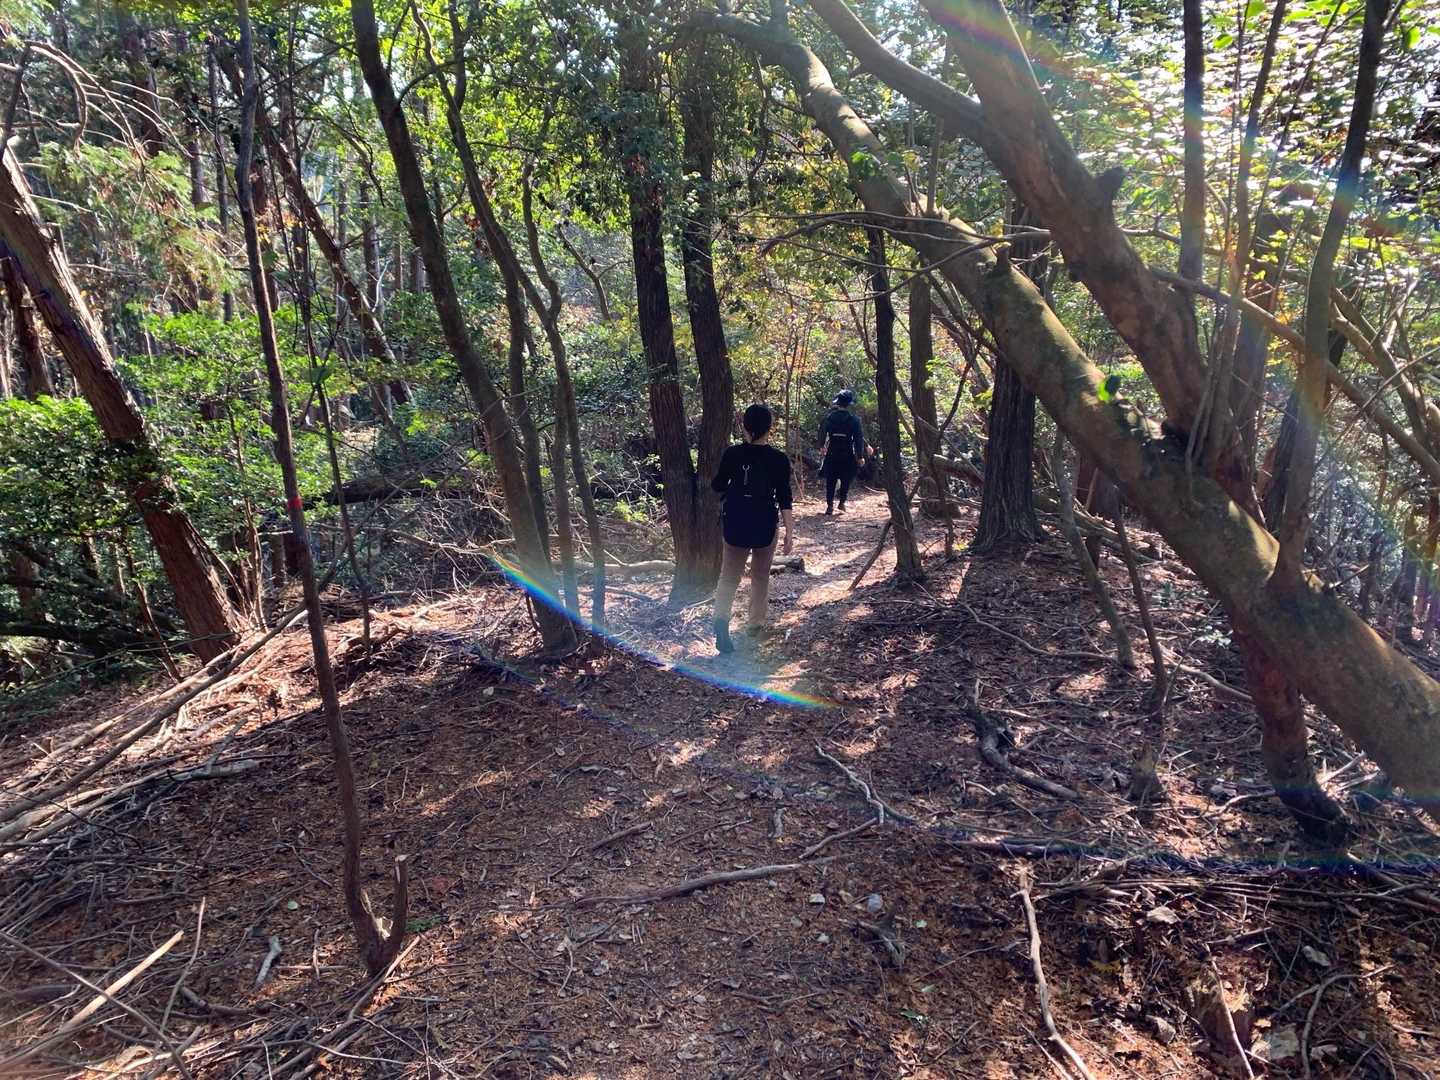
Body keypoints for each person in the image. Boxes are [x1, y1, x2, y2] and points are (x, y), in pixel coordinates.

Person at [711, 403, 794, 655]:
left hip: (735, 522)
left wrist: (732, 487)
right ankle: (755, 624)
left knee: (729, 576)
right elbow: (785, 498)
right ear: (770, 428)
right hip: (765, 524)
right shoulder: (779, 459)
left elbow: (717, 485)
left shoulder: (732, 454)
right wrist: (789, 533)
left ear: (745, 426)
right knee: (760, 576)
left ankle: (721, 620)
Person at [818, 389, 865, 515]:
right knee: (846, 478)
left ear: (837, 403)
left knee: (830, 479)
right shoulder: (854, 420)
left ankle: (829, 506)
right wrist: (860, 456)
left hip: (832, 451)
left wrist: (821, 446)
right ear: (849, 404)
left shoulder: (829, 418)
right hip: (847, 452)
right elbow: (858, 439)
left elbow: (822, 433)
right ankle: (842, 502)